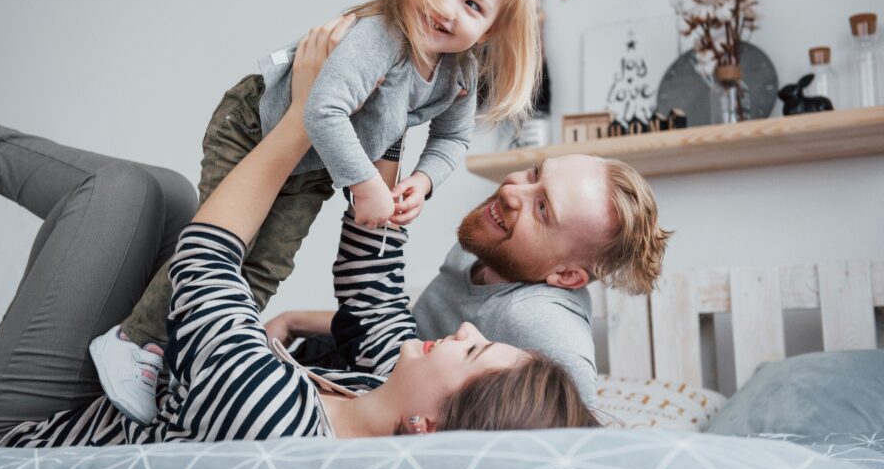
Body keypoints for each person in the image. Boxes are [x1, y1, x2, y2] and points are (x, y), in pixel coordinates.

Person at [0, 21, 596, 447]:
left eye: (469, 352)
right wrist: (398, 103)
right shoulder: (378, 387)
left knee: (126, 194)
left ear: (428, 425)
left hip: (20, 435)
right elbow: (372, 284)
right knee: (167, 194)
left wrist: (302, 112)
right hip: (114, 394)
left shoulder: (276, 422)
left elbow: (208, 263)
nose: (461, 331)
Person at [88, 0, 545, 424]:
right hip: (254, 127)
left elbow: (453, 137)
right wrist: (368, 183)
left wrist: (424, 179)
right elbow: (320, 109)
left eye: (472, 5)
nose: (446, 6)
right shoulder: (382, 37)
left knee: (266, 266)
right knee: (219, 247)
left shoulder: (458, 73)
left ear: (493, 27)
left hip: (315, 164)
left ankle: (176, 353)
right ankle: (136, 342)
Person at [269, 148, 672, 407]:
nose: (513, 192)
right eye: (534, 174)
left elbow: (578, 442)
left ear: (566, 275)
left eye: (544, 209)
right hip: (366, 356)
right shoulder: (484, 244)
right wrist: (295, 320)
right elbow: (398, 323)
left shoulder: (543, 323)